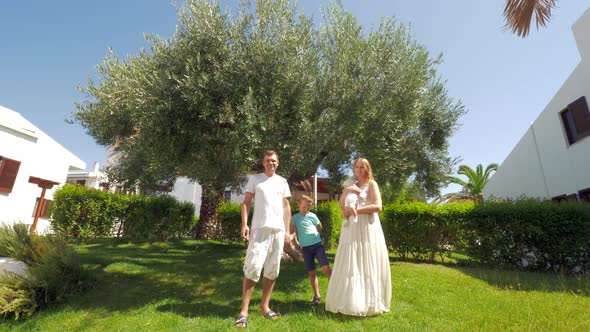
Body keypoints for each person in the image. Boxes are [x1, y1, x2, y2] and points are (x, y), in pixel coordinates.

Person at [325, 157, 391, 316]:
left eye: (362, 167)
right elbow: (341, 204)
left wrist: (355, 211)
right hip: (351, 229)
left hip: (367, 227)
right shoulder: (351, 185)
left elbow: (378, 206)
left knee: (365, 260)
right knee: (351, 261)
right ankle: (348, 300)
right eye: (357, 167)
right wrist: (346, 192)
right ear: (354, 169)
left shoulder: (372, 184)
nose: (359, 169)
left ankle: (368, 301)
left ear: (367, 169)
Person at [235, 150, 292, 328]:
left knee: (272, 270)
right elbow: (246, 203)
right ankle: (244, 312)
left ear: (278, 163)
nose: (271, 163)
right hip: (259, 230)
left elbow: (286, 206)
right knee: (252, 267)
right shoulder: (255, 179)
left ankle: (264, 306)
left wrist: (287, 231)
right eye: (268, 160)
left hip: (278, 231)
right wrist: (245, 224)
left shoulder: (282, 182)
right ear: (263, 162)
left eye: (274, 161)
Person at [290, 194, 332, 305]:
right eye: (304, 207)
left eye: (308, 208)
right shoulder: (295, 218)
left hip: (317, 244)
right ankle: (317, 296)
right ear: (298, 205)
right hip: (306, 249)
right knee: (312, 272)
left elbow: (319, 226)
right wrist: (291, 237)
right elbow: (294, 231)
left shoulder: (312, 216)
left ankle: (333, 293)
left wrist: (316, 233)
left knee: (326, 268)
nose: (306, 210)